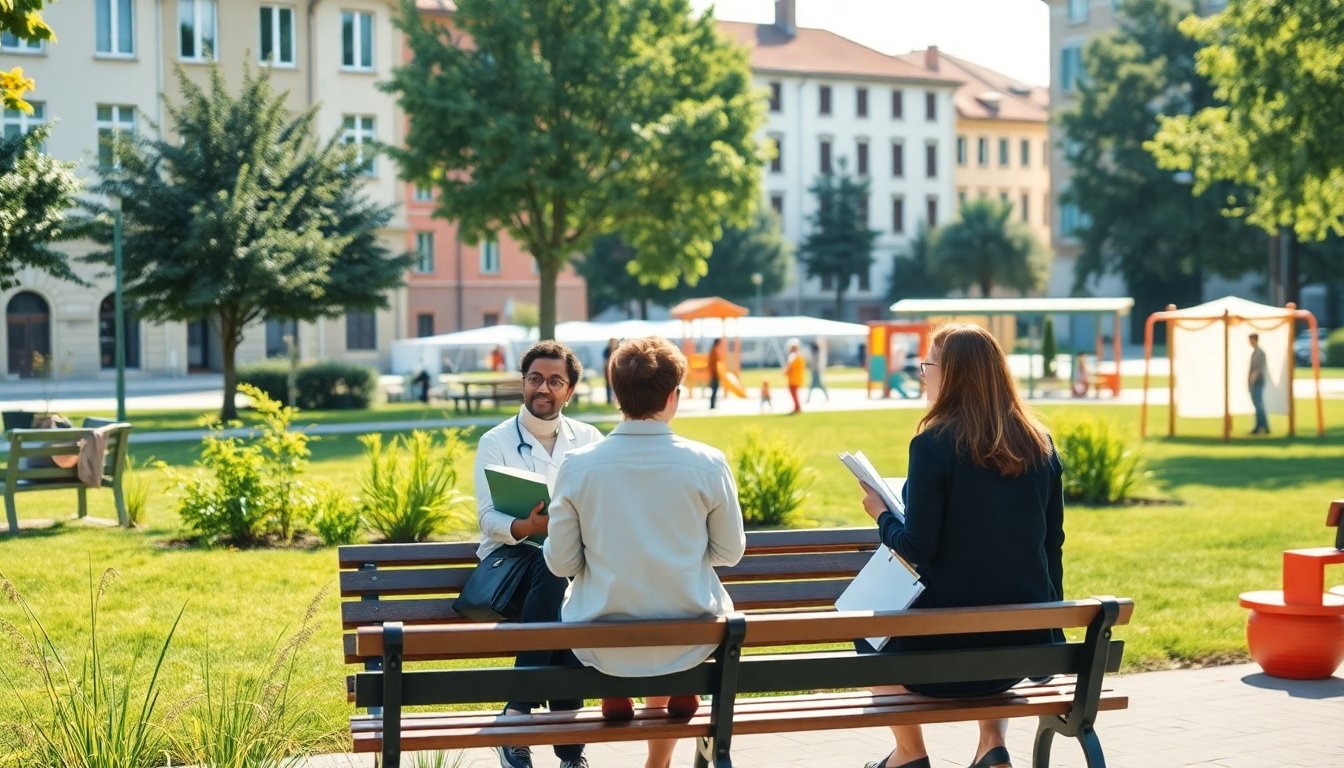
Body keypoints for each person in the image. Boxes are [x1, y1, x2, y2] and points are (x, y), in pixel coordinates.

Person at [856, 324, 1064, 768]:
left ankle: (910, 754)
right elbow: (1052, 546)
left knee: (865, 630)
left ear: (952, 375)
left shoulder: (933, 444)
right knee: (995, 596)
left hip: (939, 656)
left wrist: (882, 515)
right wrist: (1049, 621)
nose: (923, 375)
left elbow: (918, 547)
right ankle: (992, 745)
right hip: (1020, 649)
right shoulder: (1039, 444)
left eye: (928, 365)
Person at [544, 336, 746, 768]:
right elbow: (729, 552)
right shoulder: (707, 462)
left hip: (604, 638)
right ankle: (672, 694)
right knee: (669, 593)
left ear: (617, 394)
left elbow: (561, 563)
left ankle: (617, 688)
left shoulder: (578, 466)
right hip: (690, 633)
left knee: (614, 592)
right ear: (674, 396)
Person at [473, 340, 604, 768]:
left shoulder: (588, 440)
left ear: (569, 391)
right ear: (523, 383)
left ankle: (517, 716)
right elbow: (488, 517)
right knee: (555, 576)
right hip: (514, 563)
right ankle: (569, 752)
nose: (542, 388)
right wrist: (525, 528)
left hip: (568, 567)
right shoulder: (495, 442)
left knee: (557, 578)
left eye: (554, 380)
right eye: (534, 379)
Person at [1248, 333, 1270, 435]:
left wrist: (1252, 381)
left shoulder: (1259, 353)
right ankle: (1261, 425)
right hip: (1255, 381)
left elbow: (1257, 369)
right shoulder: (1256, 352)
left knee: (1259, 404)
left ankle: (1263, 426)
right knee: (1258, 405)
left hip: (1257, 381)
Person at [784, 338, 806, 414]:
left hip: (794, 379)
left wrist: (786, 371)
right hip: (797, 378)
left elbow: (790, 367)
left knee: (794, 394)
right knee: (795, 394)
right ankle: (797, 407)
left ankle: (797, 408)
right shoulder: (799, 356)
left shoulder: (794, 356)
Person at [807, 338, 830, 403]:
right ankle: (808, 399)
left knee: (818, 385)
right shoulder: (816, 354)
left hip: (816, 371)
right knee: (814, 386)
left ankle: (808, 399)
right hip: (815, 371)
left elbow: (815, 364)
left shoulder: (816, 355)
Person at [707, 337, 726, 409]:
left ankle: (713, 404)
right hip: (715, 374)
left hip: (715, 374)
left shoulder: (713, 350)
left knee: (715, 390)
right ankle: (712, 404)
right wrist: (716, 373)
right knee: (715, 389)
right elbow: (714, 364)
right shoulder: (714, 351)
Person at [603, 337, 619, 406]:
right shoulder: (606, 351)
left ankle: (616, 399)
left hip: (616, 369)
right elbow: (605, 362)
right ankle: (609, 400)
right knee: (608, 385)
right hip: (608, 369)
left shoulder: (619, 349)